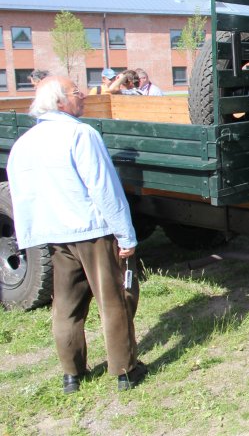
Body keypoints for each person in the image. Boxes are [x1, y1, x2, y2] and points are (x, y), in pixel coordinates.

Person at [6, 76, 146, 394]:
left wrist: (30, 236)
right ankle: (125, 371)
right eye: (76, 92)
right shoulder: (81, 134)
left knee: (66, 305)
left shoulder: (24, 143)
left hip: (54, 234)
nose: (83, 95)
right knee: (115, 301)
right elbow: (104, 188)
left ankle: (72, 374)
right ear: (60, 101)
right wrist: (126, 236)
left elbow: (23, 195)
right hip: (92, 231)